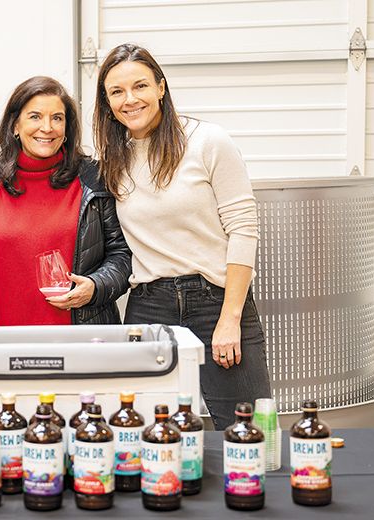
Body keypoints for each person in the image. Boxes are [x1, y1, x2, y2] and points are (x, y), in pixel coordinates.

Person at [93, 44, 272, 430]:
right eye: (117, 92)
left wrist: (230, 319)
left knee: (246, 431)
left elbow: (243, 229)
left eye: (140, 86)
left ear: (161, 87)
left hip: (215, 302)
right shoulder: (112, 158)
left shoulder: (208, 141)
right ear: (107, 102)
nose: (129, 100)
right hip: (148, 307)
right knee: (149, 436)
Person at [0, 76, 131, 326]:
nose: (47, 127)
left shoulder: (94, 179)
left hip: (81, 339)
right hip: (5, 341)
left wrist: (96, 286)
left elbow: (123, 253)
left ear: (67, 128)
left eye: (57, 118)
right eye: (35, 116)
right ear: (15, 125)